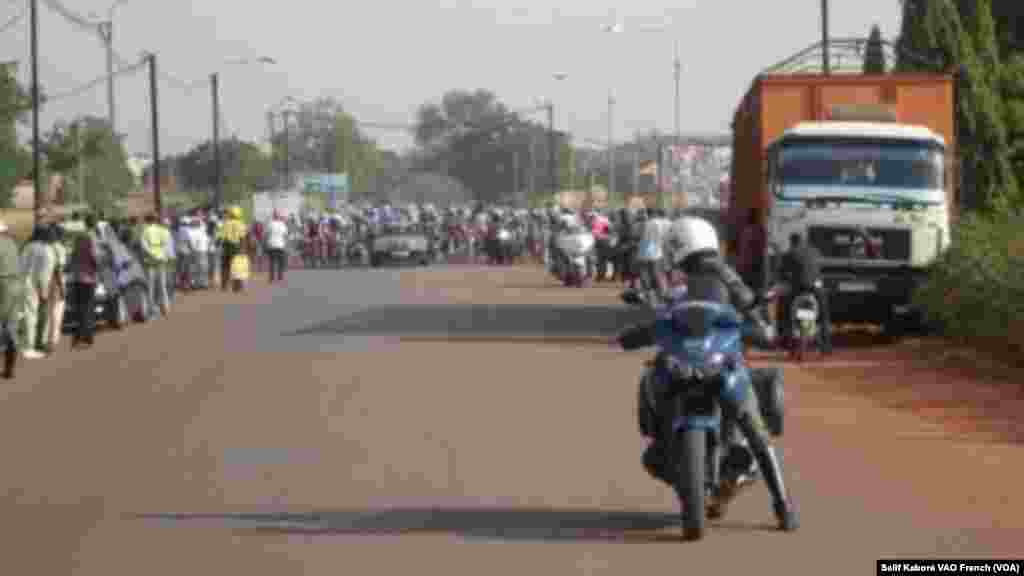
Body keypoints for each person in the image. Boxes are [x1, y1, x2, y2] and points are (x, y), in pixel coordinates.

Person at [618, 216, 797, 531]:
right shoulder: (680, 277)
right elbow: (663, 308)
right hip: (687, 352)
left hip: (721, 354)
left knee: (754, 429)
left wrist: (757, 325)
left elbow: (749, 306)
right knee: (655, 377)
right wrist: (647, 321)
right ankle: (778, 508)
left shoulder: (721, 273)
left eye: (673, 246)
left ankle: (783, 505)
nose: (670, 252)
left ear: (680, 245)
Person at [778, 232, 832, 354]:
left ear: (792, 242)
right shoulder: (815, 251)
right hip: (816, 287)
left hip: (799, 287)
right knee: (824, 314)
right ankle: (826, 345)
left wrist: (785, 280)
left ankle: (786, 340)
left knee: (785, 309)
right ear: (803, 241)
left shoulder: (789, 254)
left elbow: (782, 273)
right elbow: (821, 267)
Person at [19, 226, 55, 359]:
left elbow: (21, 265)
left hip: (25, 283)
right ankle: (30, 347)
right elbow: (44, 274)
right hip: (37, 285)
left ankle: (28, 344)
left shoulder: (28, 246)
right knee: (34, 316)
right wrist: (44, 291)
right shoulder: (47, 250)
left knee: (29, 315)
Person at [66, 214, 100, 349]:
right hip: (89, 277)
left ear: (85, 223)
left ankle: (80, 335)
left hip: (77, 276)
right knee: (88, 306)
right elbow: (94, 256)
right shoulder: (93, 237)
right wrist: (98, 268)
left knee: (79, 307)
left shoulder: (79, 237)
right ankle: (87, 336)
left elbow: (73, 255)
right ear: (94, 224)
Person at [0, 219, 22, 377]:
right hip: (15, 286)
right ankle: (10, 368)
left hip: (3, 285)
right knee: (11, 326)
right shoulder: (12, 243)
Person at [140, 213, 171, 318]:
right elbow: (167, 244)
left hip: (150, 260)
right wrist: (163, 255)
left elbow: (143, 246)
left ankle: (152, 310)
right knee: (162, 285)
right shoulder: (162, 230)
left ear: (147, 220)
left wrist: (151, 254)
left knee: (151, 286)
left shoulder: (145, 230)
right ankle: (165, 307)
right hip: (161, 258)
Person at [45, 224, 67, 353]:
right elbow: (58, 269)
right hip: (55, 283)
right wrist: (62, 288)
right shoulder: (60, 249)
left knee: (47, 313)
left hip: (43, 282)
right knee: (56, 314)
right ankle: (52, 342)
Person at [738, 207, 768, 292]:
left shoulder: (745, 230)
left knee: (748, 289)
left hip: (746, 266)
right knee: (755, 289)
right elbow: (762, 247)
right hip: (755, 265)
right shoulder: (760, 230)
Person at [218, 206, 247, 291]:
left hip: (226, 246)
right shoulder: (241, 224)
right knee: (237, 267)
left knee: (225, 266)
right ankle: (237, 286)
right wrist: (243, 249)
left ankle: (224, 285)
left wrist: (219, 245)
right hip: (236, 247)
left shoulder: (226, 223)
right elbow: (242, 238)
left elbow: (220, 236)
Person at [265, 211, 288, 283]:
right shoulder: (282, 224)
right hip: (280, 245)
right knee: (280, 262)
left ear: (273, 217)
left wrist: (266, 243)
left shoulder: (270, 224)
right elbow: (285, 235)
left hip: (271, 245)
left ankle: (271, 278)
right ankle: (280, 277)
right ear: (279, 217)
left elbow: (266, 234)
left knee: (272, 262)